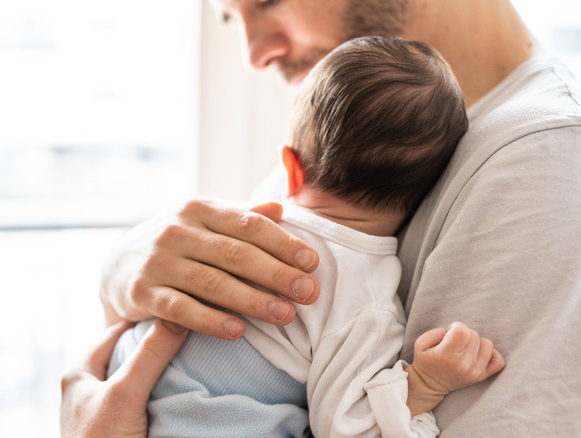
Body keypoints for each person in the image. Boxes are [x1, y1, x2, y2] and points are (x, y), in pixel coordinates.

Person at [62, 0, 581, 436]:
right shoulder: (353, 137)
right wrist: (123, 269)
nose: (254, 53)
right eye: (229, 17)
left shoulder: (545, 160)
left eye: (267, 2)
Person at [106, 36, 504, 437]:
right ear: (426, 195)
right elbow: (346, 427)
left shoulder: (234, 228)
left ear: (290, 168)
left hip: (120, 379)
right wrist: (425, 385)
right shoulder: (364, 302)